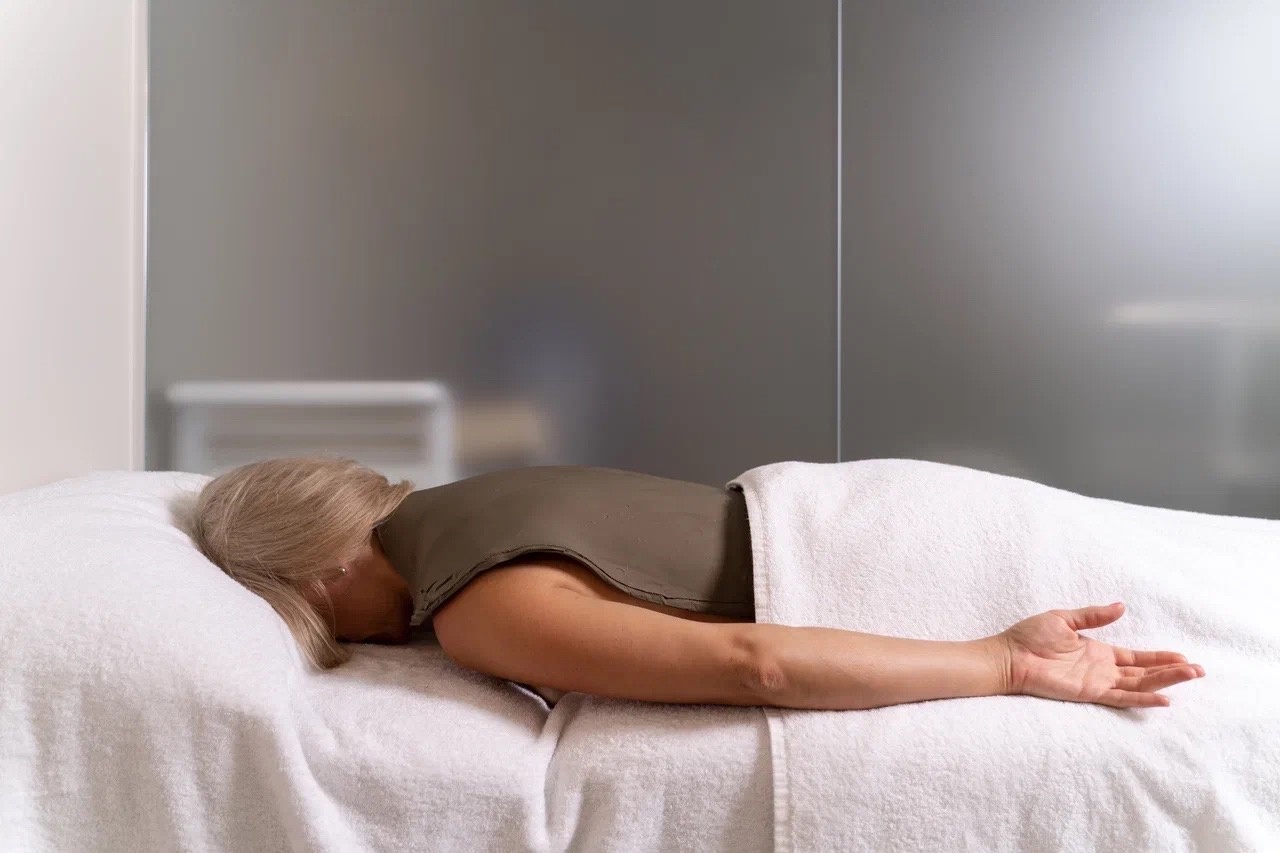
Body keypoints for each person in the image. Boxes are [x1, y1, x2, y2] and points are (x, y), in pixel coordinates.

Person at [190, 456, 1205, 711]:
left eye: (313, 614)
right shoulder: (476, 494)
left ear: (321, 565)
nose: (353, 640)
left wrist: (1003, 663)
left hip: (889, 567)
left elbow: (753, 664)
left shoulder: (473, 607)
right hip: (897, 501)